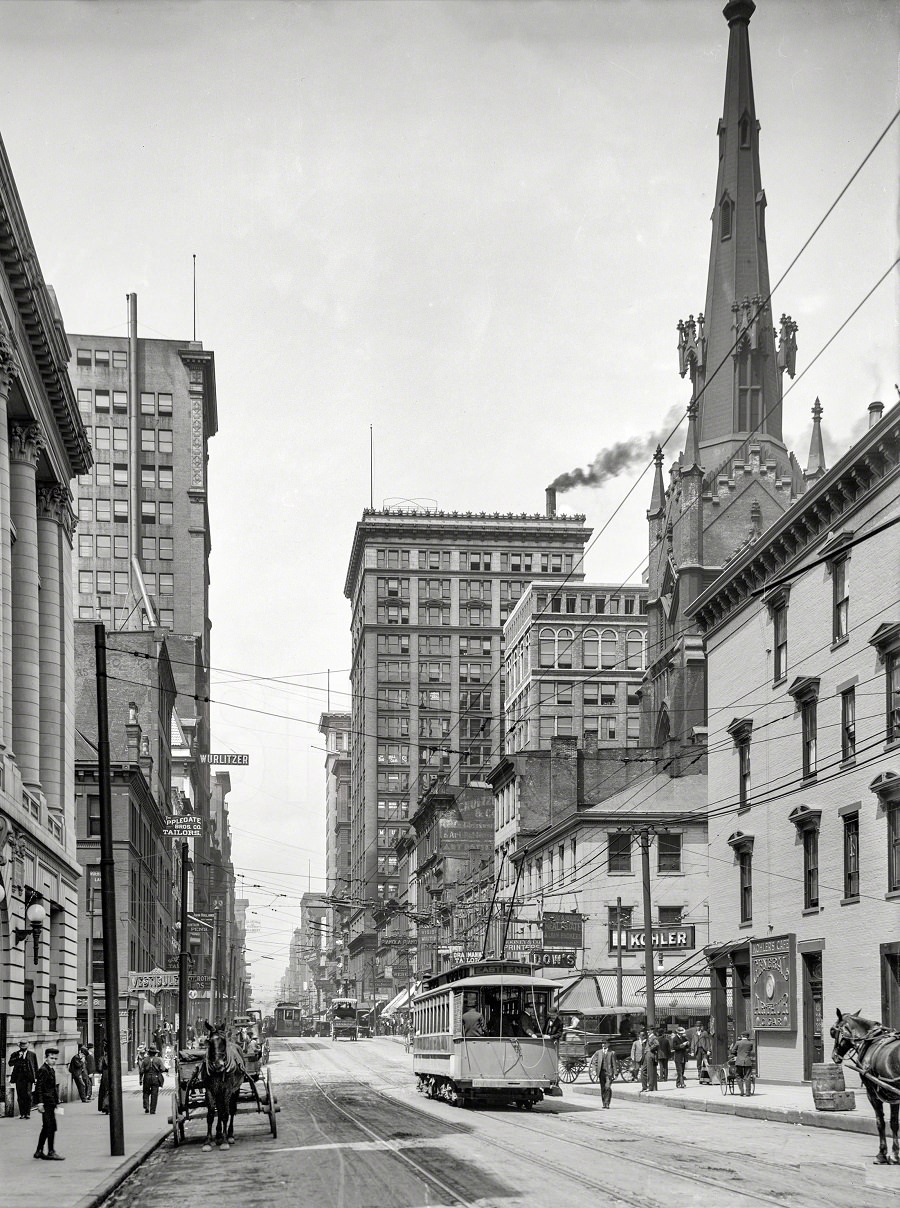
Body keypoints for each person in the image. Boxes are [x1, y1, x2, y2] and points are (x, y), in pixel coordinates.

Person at [33, 1047, 64, 1160]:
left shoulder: (50, 1069)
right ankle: (50, 1151)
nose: (54, 1060)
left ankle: (39, 1151)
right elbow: (39, 1088)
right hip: (46, 1103)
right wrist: (40, 1103)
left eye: (55, 1058)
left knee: (47, 1127)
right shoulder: (44, 1070)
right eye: (51, 1058)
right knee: (50, 1127)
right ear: (46, 1058)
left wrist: (56, 1101)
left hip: (50, 1103)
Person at [8, 1039, 39, 1119]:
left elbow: (35, 1066)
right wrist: (18, 1058)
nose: (23, 1047)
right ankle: (22, 1113)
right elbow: (10, 1063)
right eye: (22, 1045)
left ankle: (27, 1113)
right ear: (20, 1046)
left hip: (28, 1077)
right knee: (20, 1095)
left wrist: (36, 1078)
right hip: (19, 1078)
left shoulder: (32, 1054)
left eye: (25, 1045)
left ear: (28, 1046)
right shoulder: (15, 1054)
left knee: (28, 1095)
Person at [139, 1045, 166, 1115]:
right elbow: (163, 1069)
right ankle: (152, 1110)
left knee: (146, 1092)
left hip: (147, 1077)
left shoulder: (145, 1060)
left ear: (149, 1053)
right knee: (154, 1094)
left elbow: (141, 1071)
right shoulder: (158, 1060)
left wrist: (140, 1080)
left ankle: (146, 1106)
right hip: (155, 1077)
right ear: (155, 1053)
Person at [593, 1038, 618, 1109]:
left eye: (605, 1043)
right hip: (601, 1073)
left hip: (609, 1073)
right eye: (602, 1043)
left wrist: (615, 1073)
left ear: (608, 1044)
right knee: (603, 1088)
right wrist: (594, 1070)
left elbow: (614, 1064)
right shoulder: (598, 1052)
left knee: (608, 1087)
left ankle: (607, 1103)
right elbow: (594, 1062)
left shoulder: (612, 1053)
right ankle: (604, 1103)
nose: (603, 1044)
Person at [729, 1031, 755, 1096]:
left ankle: (742, 1091)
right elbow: (751, 1050)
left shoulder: (738, 1043)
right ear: (747, 1036)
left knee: (738, 1075)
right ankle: (748, 1092)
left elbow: (733, 1051)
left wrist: (735, 1054)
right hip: (747, 1061)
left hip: (739, 1062)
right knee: (748, 1076)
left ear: (742, 1036)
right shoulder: (750, 1043)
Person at [97, 1043, 109, 1114]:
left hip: (105, 1075)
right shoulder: (114, 1058)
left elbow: (99, 1068)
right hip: (112, 1074)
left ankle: (105, 1106)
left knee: (104, 1090)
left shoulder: (102, 1058)